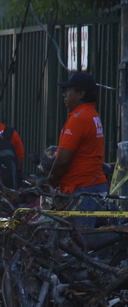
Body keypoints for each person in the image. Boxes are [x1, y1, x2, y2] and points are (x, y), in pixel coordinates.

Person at [48, 71, 107, 212]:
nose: (64, 94)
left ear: (81, 94)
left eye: (68, 90)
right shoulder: (92, 115)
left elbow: (63, 160)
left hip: (82, 189)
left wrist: (50, 181)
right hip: (94, 185)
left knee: (79, 233)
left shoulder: (78, 119)